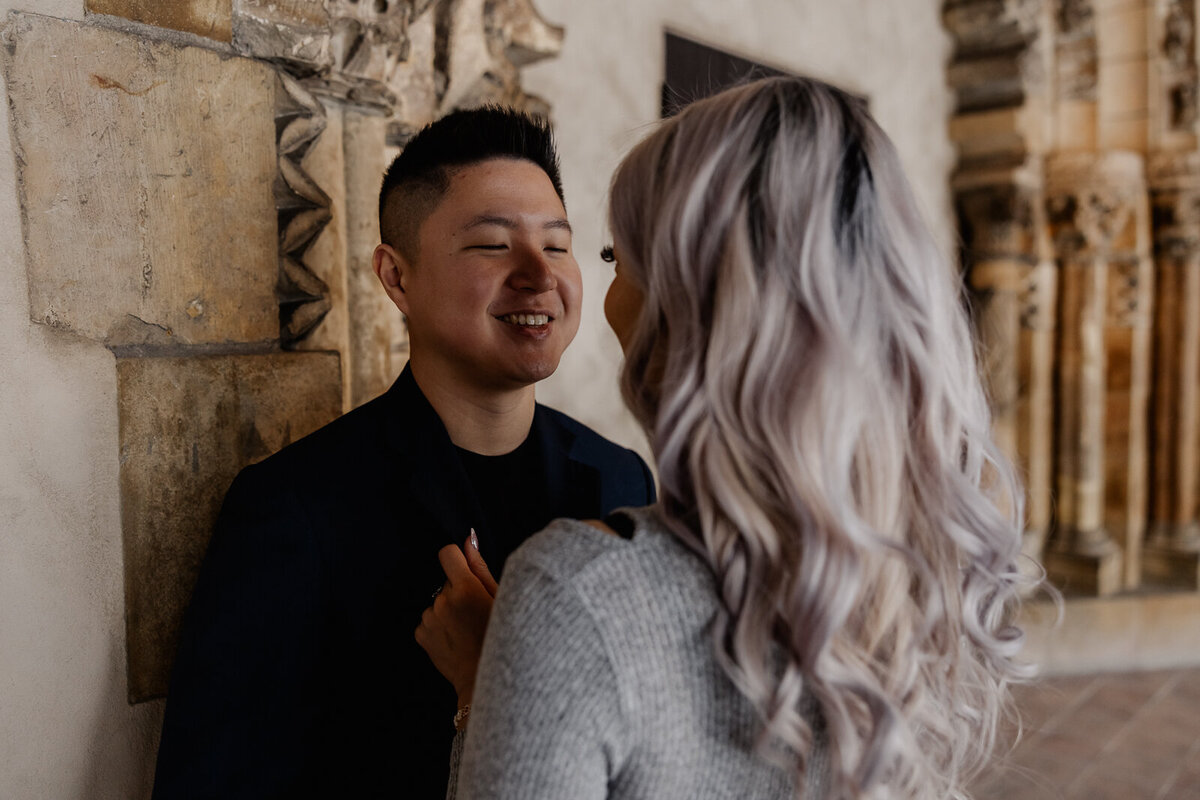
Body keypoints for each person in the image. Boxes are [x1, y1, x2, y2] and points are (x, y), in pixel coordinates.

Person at [442, 77, 1032, 799]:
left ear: (687, 301)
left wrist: (495, 688)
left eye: (612, 256)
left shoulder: (578, 596)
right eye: (491, 244)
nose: (547, 279)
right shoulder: (917, 557)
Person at [151, 107, 656, 800]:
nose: (539, 275)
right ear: (396, 278)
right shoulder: (294, 511)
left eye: (558, 245)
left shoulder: (620, 479)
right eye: (491, 246)